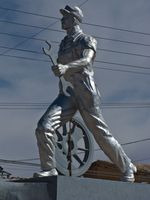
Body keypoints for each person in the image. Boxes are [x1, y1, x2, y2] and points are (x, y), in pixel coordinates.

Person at [33, 5, 137, 182]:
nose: (61, 20)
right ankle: (49, 168)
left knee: (100, 134)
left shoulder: (86, 39)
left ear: (74, 19)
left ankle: (127, 167)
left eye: (65, 16)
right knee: (44, 127)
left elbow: (86, 60)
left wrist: (66, 67)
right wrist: (60, 70)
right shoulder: (63, 44)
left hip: (85, 92)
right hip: (66, 93)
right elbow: (62, 69)